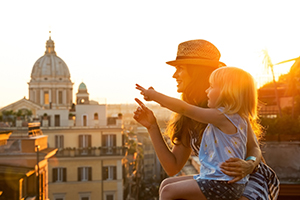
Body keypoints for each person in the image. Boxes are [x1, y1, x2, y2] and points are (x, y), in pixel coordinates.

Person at [133, 39, 279, 200]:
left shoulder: (227, 112)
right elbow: (173, 166)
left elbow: (254, 148)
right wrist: (152, 126)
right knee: (166, 185)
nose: (174, 75)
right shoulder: (190, 116)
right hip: (220, 180)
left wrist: (249, 164)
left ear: (197, 72)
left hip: (246, 180)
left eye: (180, 68)